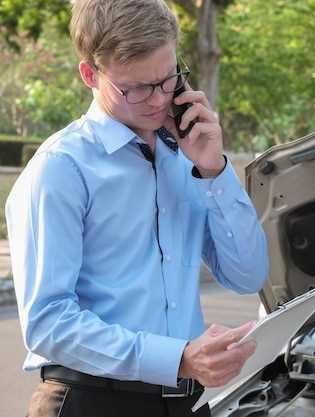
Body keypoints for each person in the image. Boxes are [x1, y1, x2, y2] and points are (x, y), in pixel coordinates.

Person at [4, 0, 269, 415]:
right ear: (90, 74)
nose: (158, 99)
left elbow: (247, 274)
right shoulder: (60, 169)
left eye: (168, 79)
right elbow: (48, 324)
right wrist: (177, 357)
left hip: (185, 402)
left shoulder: (187, 156)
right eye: (136, 88)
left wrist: (215, 170)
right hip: (87, 402)